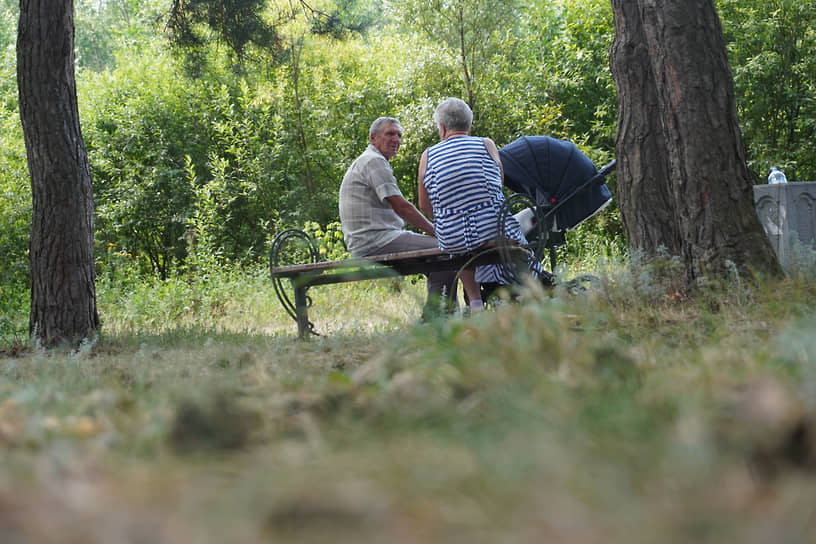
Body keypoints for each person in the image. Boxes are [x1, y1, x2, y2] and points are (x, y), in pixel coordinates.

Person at [417, 98, 551, 311]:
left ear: (442, 128)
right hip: (492, 230)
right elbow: (498, 182)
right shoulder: (485, 144)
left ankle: (476, 302)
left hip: (453, 238)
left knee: (461, 247)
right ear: (469, 126)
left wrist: (450, 216)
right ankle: (531, 290)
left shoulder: (428, 155)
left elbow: (424, 205)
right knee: (509, 232)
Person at [339, 116, 457, 317]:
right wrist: (438, 232)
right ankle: (438, 316)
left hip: (372, 239)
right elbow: (402, 207)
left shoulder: (371, 161)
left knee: (438, 258)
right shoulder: (374, 161)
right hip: (375, 241)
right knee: (447, 251)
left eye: (399, 135)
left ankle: (442, 314)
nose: (396, 140)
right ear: (373, 137)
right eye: (390, 134)